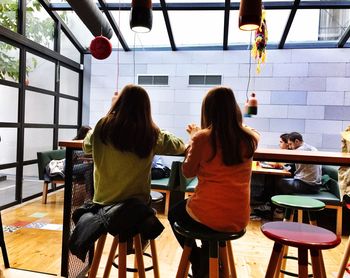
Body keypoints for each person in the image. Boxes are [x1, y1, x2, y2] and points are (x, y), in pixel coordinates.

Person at [168, 86, 260, 278]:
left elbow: (187, 172)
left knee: (174, 213)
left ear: (207, 111)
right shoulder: (250, 138)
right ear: (234, 108)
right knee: (207, 223)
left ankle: (198, 260)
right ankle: (214, 261)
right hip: (238, 217)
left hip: (208, 214)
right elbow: (249, 131)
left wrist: (193, 138)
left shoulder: (203, 137)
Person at [83, 84, 186, 206]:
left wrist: (112, 113)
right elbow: (180, 146)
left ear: (119, 103)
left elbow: (86, 147)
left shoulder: (102, 126)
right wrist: (160, 130)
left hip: (103, 203)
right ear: (146, 108)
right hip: (137, 207)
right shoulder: (150, 133)